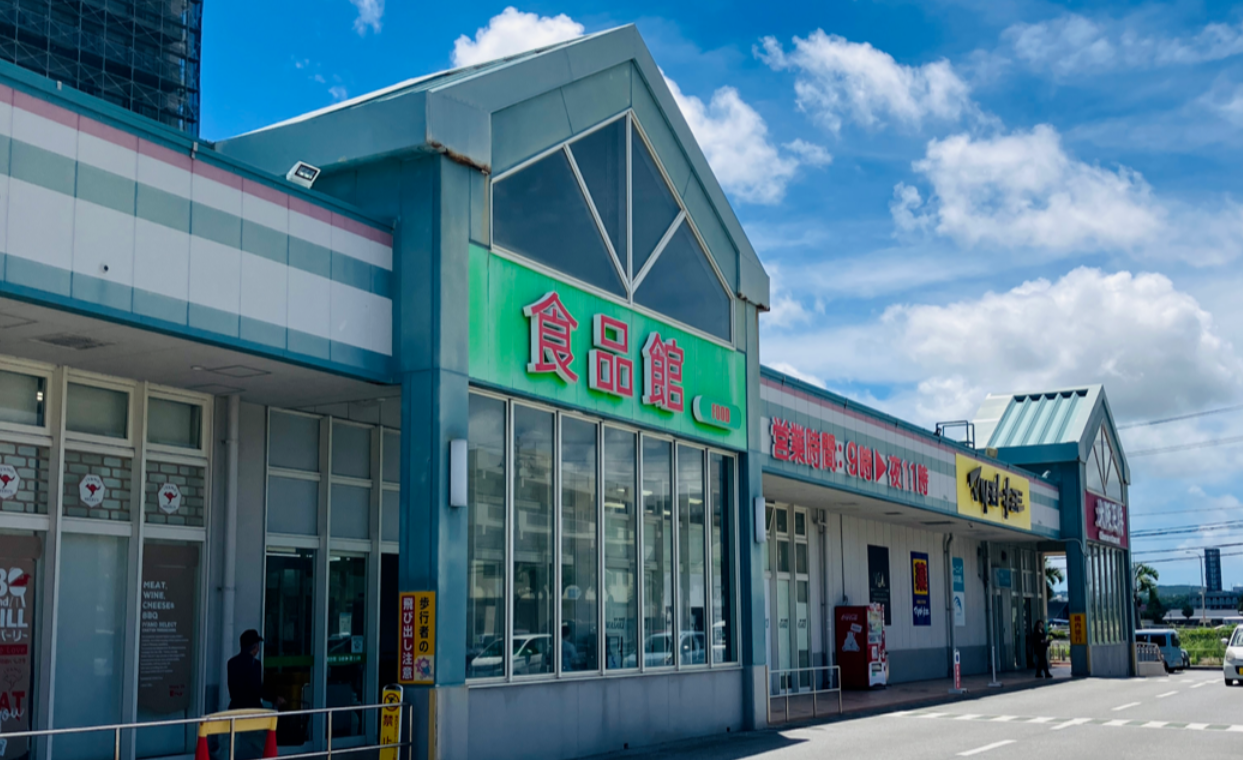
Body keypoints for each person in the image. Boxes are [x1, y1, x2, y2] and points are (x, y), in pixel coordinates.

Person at [225, 630, 269, 760]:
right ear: (254, 647)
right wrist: (274, 698)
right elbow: (257, 688)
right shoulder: (255, 665)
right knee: (261, 747)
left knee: (232, 747)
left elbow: (231, 688)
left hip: (235, 709)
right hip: (253, 710)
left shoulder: (231, 663)